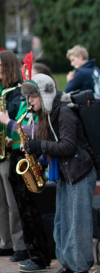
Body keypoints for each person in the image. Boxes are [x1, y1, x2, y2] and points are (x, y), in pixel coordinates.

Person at [22, 73, 96, 273]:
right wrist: (36, 158)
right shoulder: (47, 114)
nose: (30, 102)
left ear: (45, 95)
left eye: (33, 97)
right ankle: (68, 264)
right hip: (66, 173)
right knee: (62, 222)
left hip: (79, 172)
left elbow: (68, 146)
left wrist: (39, 145)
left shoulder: (63, 112)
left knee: (77, 223)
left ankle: (79, 268)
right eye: (28, 97)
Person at [0, 58, 54, 272]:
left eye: (32, 94)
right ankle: (36, 254)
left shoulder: (46, 109)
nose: (29, 99)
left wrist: (10, 124)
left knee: (28, 210)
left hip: (28, 157)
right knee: (23, 209)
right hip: (20, 154)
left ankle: (37, 254)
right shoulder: (27, 102)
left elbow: (34, 131)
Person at [0, 50, 26, 262]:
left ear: (8, 67)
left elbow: (19, 124)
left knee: (12, 202)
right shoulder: (2, 89)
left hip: (10, 152)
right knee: (1, 203)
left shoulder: (17, 92)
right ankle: (5, 242)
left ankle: (20, 245)